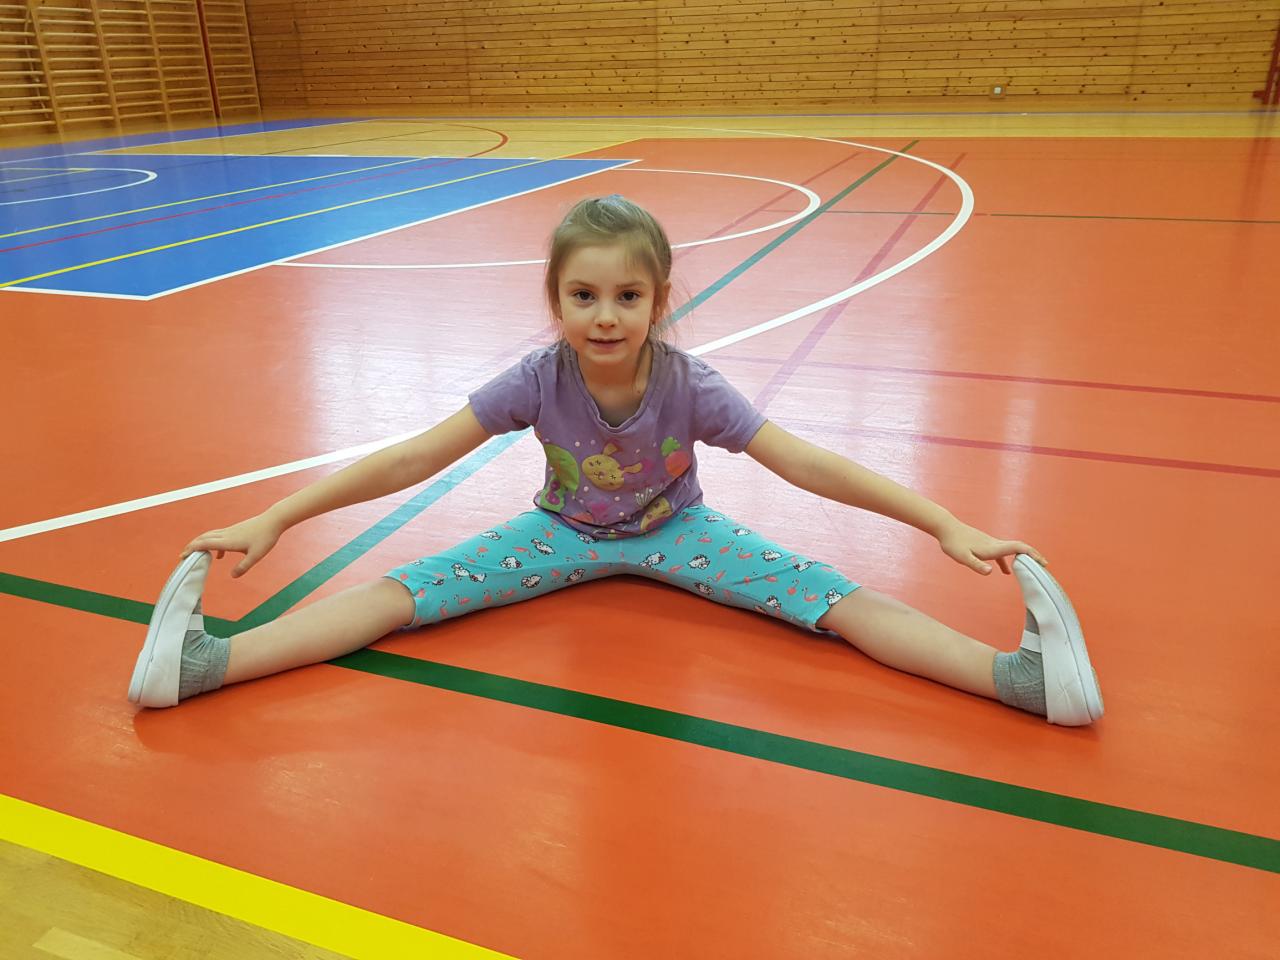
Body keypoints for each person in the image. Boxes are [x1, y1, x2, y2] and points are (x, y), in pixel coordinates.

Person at [129, 195, 1103, 726]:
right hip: (556, 536)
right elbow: (410, 459)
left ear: (659, 301)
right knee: (398, 596)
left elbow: (804, 464)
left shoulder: (690, 385)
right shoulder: (534, 379)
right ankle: (210, 664)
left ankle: (1011, 680)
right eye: (583, 296)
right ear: (554, 300)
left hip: (681, 534)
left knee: (837, 602)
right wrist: (278, 516)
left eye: (627, 297)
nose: (604, 316)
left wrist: (941, 522)